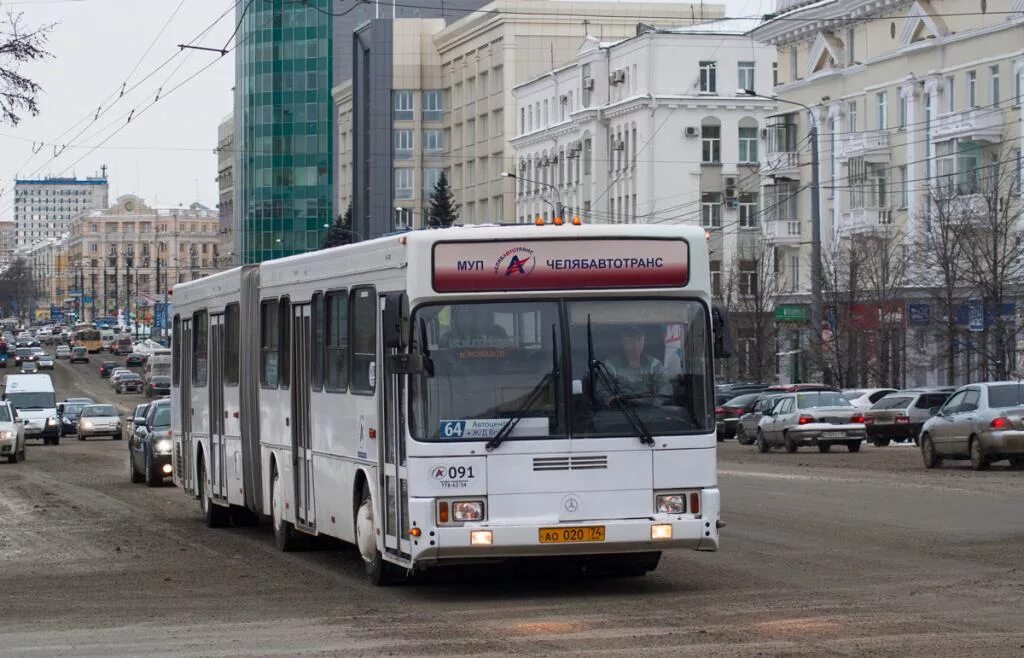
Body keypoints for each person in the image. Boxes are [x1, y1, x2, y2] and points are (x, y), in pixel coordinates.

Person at [601, 325, 671, 406]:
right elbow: (603, 392)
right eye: (631, 340)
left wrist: (655, 405)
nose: (636, 345)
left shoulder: (655, 365)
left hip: (650, 413)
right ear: (623, 341)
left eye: (639, 339)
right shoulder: (610, 365)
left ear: (644, 340)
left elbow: (665, 389)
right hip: (620, 413)